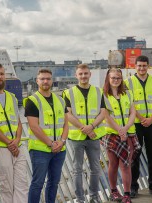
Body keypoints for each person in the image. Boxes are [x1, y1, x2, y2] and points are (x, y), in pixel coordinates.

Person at [0, 63, 28, 203]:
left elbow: (18, 122)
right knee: (5, 188)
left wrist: (17, 139)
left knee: (22, 185)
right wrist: (9, 142)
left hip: (17, 147)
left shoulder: (12, 97)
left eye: (2, 74)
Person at [24, 69, 68, 203]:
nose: (45, 81)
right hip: (40, 150)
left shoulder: (60, 100)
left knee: (54, 182)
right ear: (37, 81)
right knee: (37, 183)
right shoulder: (32, 100)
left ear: (52, 80)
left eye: (48, 78)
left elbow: (66, 124)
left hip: (59, 149)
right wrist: (51, 143)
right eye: (42, 79)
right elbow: (34, 126)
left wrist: (62, 141)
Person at [63, 64, 106, 203]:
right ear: (76, 75)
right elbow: (67, 114)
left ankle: (94, 197)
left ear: (90, 75)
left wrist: (92, 126)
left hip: (94, 136)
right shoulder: (68, 93)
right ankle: (80, 199)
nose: (83, 76)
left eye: (86, 73)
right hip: (77, 137)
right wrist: (84, 128)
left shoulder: (98, 92)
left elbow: (103, 112)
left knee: (95, 168)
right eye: (80, 74)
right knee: (77, 170)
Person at [124, 55, 152, 198]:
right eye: (139, 66)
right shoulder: (127, 83)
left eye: (144, 65)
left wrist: (151, 118)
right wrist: (142, 119)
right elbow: (129, 103)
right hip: (136, 125)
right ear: (135, 67)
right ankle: (133, 187)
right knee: (134, 156)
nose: (142, 68)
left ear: (148, 66)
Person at [102, 67, 138, 203]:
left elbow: (132, 112)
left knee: (126, 164)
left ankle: (127, 194)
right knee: (113, 164)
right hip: (111, 134)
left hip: (128, 133)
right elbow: (106, 116)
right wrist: (119, 130)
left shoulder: (128, 93)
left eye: (118, 78)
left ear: (121, 79)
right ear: (108, 79)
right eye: (113, 78)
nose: (116, 80)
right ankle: (114, 191)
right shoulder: (103, 95)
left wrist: (126, 128)